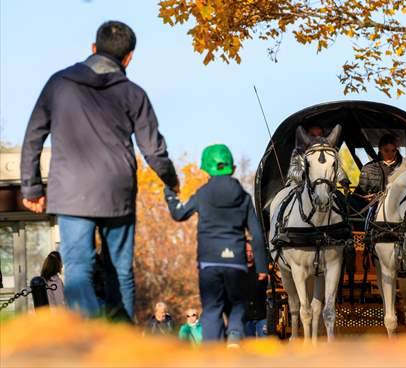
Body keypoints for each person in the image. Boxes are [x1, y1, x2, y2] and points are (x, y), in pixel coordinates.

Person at [20, 21, 179, 321]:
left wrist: (32, 187)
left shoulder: (59, 84)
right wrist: (172, 180)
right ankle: (121, 345)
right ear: (129, 57)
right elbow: (153, 150)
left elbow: (33, 135)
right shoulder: (134, 94)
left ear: (93, 49)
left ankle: (91, 335)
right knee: (119, 270)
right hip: (116, 191)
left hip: (70, 191)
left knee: (78, 265)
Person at [164, 144, 268, 347]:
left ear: (206, 169)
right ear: (233, 168)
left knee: (212, 309)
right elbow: (256, 234)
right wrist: (262, 267)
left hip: (208, 262)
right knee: (238, 305)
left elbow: (179, 214)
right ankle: (235, 338)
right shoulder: (244, 197)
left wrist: (170, 193)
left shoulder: (202, 194)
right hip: (236, 263)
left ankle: (212, 353)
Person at [287, 123, 350, 191]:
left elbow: (335, 167)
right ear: (307, 135)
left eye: (320, 135)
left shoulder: (328, 152)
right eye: (313, 135)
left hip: (326, 185)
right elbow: (292, 171)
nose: (317, 138)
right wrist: (303, 175)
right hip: (300, 186)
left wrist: (343, 179)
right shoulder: (298, 152)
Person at [349, 134, 403, 212]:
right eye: (386, 150)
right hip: (373, 212)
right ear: (380, 149)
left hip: (398, 211)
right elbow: (359, 194)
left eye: (393, 151)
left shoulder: (404, 168)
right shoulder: (368, 169)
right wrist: (366, 198)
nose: (390, 154)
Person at [243, 242, 268, 338]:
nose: (249, 254)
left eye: (251, 251)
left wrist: (266, 277)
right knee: (248, 348)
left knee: (265, 347)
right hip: (245, 318)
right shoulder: (238, 271)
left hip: (262, 316)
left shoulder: (262, 269)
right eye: (246, 251)